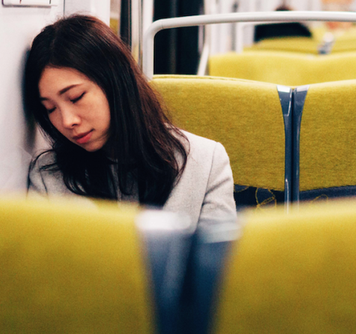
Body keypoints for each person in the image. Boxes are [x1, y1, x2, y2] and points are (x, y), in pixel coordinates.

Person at [23, 14, 235, 229]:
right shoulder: (47, 177)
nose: (67, 121)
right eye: (50, 108)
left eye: (76, 97)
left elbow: (217, 260)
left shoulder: (206, 162)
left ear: (116, 82)